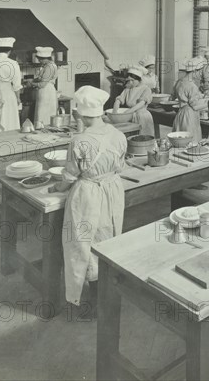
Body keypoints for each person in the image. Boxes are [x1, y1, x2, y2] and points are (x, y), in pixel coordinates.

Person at [49, 86, 127, 312]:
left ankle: (93, 306)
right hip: (112, 190)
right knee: (108, 238)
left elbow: (70, 175)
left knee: (85, 246)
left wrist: (58, 186)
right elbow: (119, 166)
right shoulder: (118, 134)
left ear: (80, 114)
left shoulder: (79, 140)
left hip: (89, 193)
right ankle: (108, 297)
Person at [172, 57, 207, 142]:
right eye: (200, 72)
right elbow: (195, 106)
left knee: (180, 140)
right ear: (195, 71)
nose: (201, 75)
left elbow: (174, 96)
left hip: (181, 113)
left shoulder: (179, 81)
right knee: (191, 141)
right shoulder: (192, 86)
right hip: (190, 115)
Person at [113, 67, 155, 136]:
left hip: (142, 117)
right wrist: (115, 111)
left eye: (132, 80)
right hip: (130, 116)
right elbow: (119, 99)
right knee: (132, 138)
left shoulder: (146, 89)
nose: (130, 82)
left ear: (139, 79)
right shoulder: (128, 89)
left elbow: (141, 103)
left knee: (143, 138)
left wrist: (127, 112)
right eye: (129, 80)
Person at [0, 37, 22, 131]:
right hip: (8, 92)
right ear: (10, 51)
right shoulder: (13, 63)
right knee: (9, 119)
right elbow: (17, 85)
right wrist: (18, 98)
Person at [32, 47, 58, 126]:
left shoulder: (49, 67)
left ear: (45, 58)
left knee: (43, 114)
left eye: (40, 59)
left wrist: (31, 83)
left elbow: (42, 84)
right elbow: (43, 78)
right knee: (43, 113)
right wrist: (35, 80)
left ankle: (42, 130)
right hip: (46, 91)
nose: (39, 61)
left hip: (46, 91)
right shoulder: (49, 65)